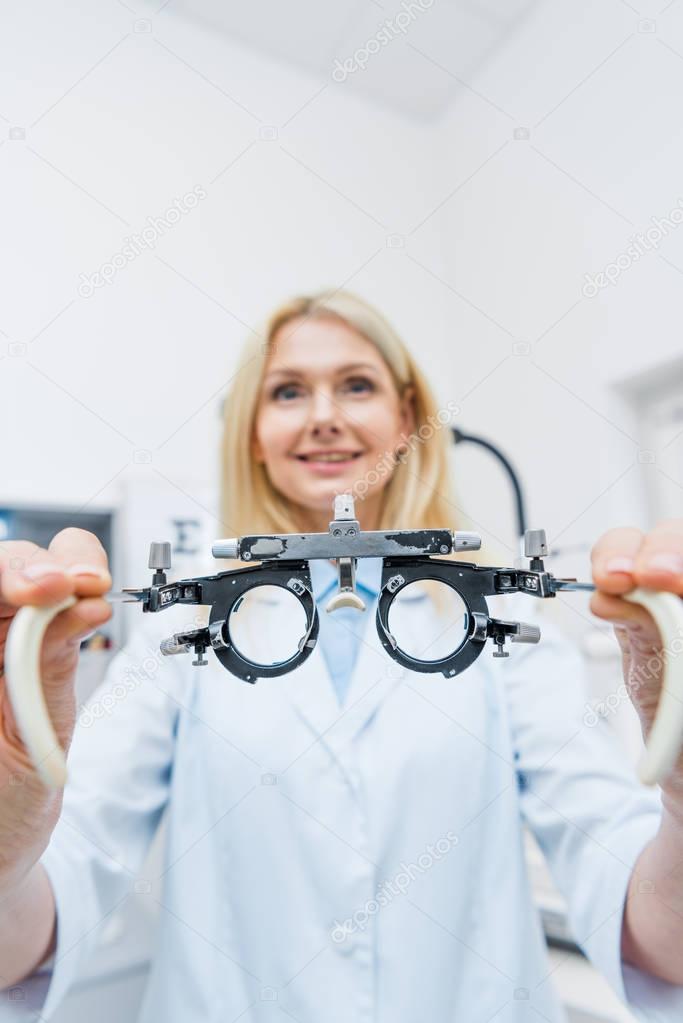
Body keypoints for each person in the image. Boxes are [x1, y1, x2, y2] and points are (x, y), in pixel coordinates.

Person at [1, 290, 683, 1022]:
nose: (323, 414)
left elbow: (652, 928)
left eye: (356, 384)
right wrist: (5, 848)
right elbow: (44, 908)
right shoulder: (191, 622)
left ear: (406, 419)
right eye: (288, 391)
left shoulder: (499, 617)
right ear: (253, 436)